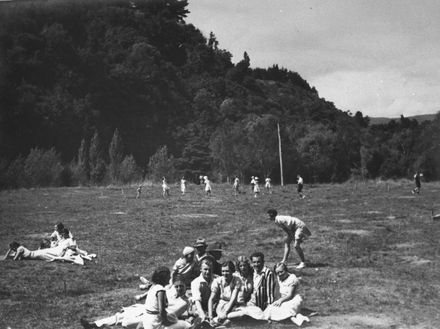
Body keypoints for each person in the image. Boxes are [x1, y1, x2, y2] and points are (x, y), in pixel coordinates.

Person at [81, 275, 192, 329]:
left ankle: (105, 326)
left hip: (157, 318)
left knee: (127, 322)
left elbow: (168, 313)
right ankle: (95, 324)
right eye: (176, 286)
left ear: (186, 287)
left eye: (181, 287)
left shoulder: (184, 302)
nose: (178, 289)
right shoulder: (169, 290)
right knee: (121, 315)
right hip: (148, 310)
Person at [226, 256, 265, 321]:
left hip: (249, 303)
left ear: (248, 266)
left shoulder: (252, 276)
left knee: (258, 311)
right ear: (238, 267)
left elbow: (254, 292)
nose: (243, 268)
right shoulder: (235, 276)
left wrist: (250, 302)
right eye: (241, 266)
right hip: (236, 303)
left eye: (245, 265)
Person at [208, 260, 241, 326]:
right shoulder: (218, 281)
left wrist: (225, 312)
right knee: (224, 317)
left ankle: (218, 322)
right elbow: (211, 299)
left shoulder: (236, 280)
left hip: (232, 305)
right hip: (221, 305)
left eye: (227, 271)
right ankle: (216, 322)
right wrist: (210, 317)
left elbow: (233, 299)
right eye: (223, 271)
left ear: (232, 271)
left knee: (237, 315)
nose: (225, 273)